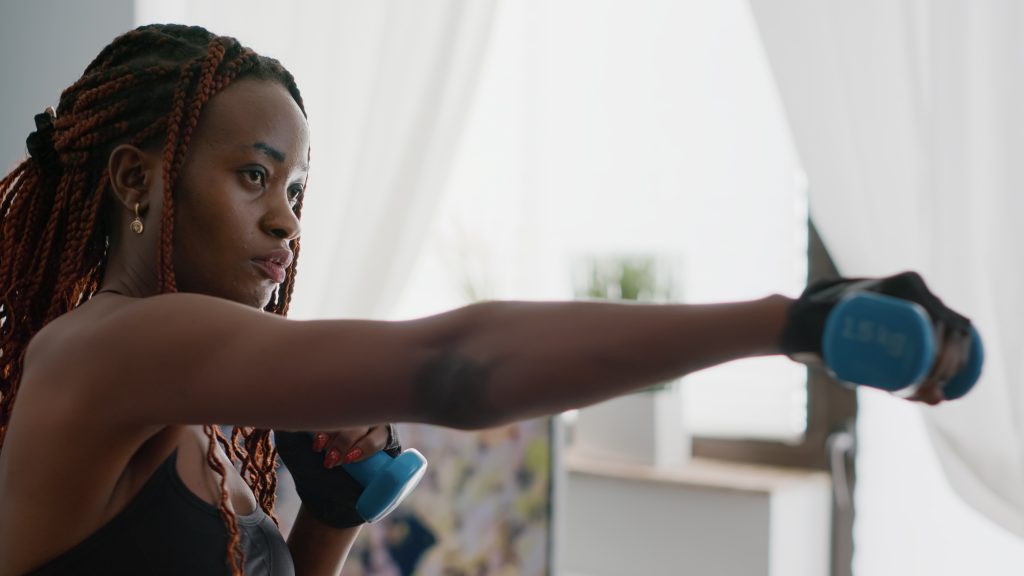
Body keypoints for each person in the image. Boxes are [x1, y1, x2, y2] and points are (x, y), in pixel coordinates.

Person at [0, 23, 973, 576]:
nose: (286, 226)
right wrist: (788, 323)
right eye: (253, 178)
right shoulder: (108, 350)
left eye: (295, 192)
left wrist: (330, 517)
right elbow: (452, 367)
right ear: (136, 182)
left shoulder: (192, 416)